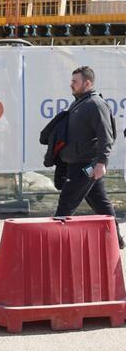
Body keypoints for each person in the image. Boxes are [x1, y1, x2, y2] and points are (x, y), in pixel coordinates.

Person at [55, 66, 124, 249]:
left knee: (66, 203)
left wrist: (101, 163)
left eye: (75, 81)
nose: (71, 84)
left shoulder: (95, 104)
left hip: (85, 165)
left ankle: (54, 242)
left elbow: (106, 136)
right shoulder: (80, 103)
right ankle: (116, 240)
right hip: (79, 164)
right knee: (101, 205)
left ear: (87, 83)